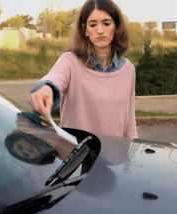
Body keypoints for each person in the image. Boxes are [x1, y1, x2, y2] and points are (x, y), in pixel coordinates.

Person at [29, 0, 137, 139]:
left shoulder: (128, 69)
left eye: (106, 23)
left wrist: (132, 153)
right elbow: (56, 76)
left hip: (116, 158)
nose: (100, 30)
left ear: (116, 27)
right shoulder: (70, 61)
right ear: (85, 29)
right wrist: (46, 87)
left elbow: (129, 123)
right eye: (93, 25)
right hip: (77, 157)